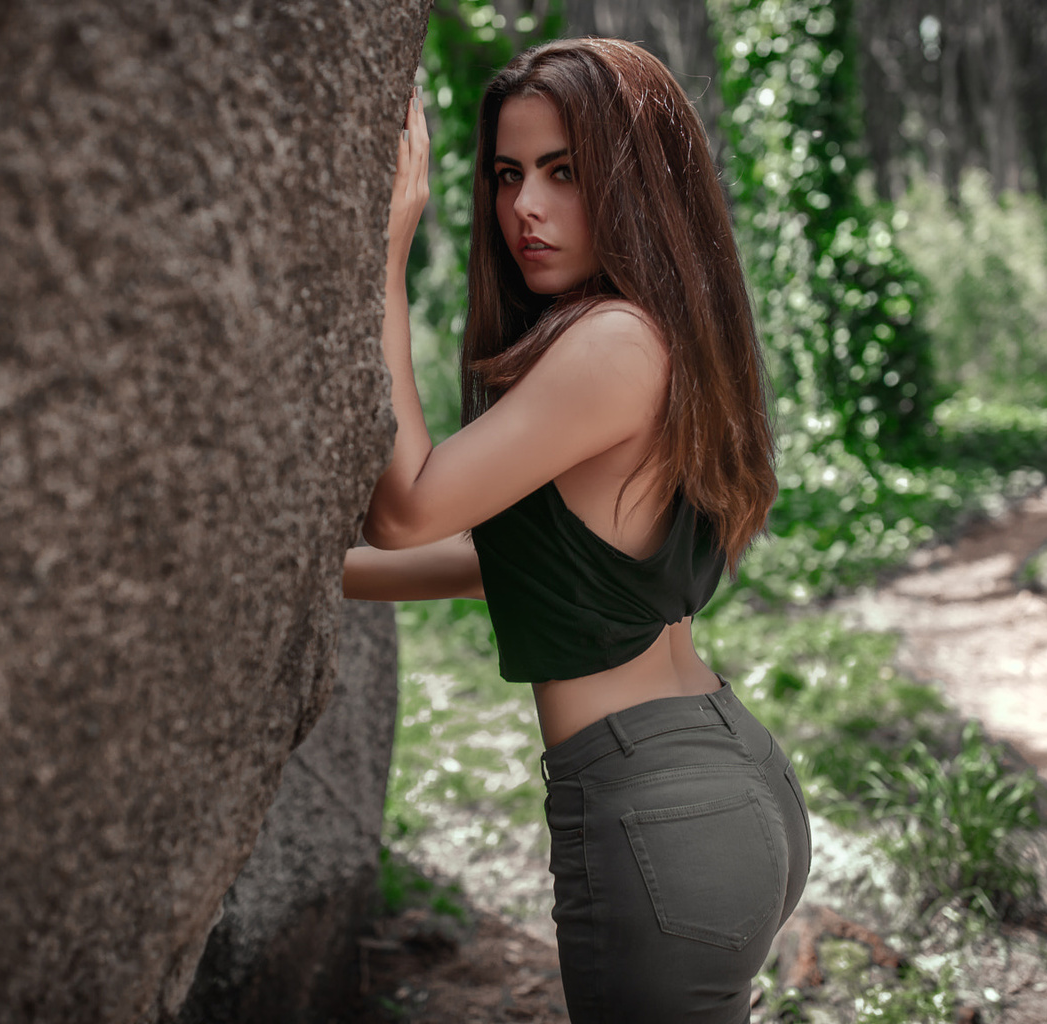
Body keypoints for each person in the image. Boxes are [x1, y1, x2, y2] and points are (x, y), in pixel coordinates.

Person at [343, 37, 811, 1024]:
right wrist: (330, 575)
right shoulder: (654, 332)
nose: (524, 209)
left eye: (564, 173)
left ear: (634, 181)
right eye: (508, 175)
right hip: (720, 777)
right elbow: (522, 561)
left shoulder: (608, 344)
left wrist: (384, 253)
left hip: (652, 809)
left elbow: (407, 505)